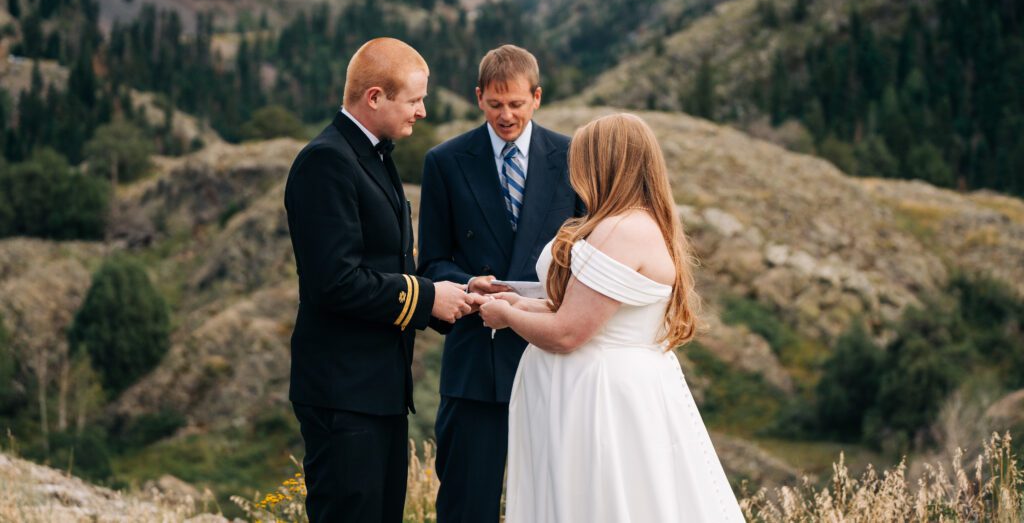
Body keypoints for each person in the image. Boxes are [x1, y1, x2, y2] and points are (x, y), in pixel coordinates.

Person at [480, 113, 744, 522]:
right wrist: (512, 301)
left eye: (582, 161)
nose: (575, 172)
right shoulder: (625, 224)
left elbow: (568, 333)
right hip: (594, 388)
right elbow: (578, 310)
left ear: (604, 164)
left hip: (599, 399)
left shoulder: (622, 230)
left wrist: (507, 317)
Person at [284, 37, 483, 523]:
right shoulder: (326, 162)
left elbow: (390, 264)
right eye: (414, 99)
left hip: (377, 391)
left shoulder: (372, 155)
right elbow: (334, 281)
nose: (422, 111)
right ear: (375, 97)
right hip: (342, 392)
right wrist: (428, 298)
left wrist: (460, 291)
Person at [417, 45, 581, 523]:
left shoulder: (573, 157)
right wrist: (469, 281)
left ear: (536, 97)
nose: (505, 116)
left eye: (515, 104)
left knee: (559, 504)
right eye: (494, 104)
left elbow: (591, 255)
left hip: (553, 358)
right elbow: (431, 263)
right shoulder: (445, 162)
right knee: (468, 504)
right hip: (475, 362)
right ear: (478, 98)